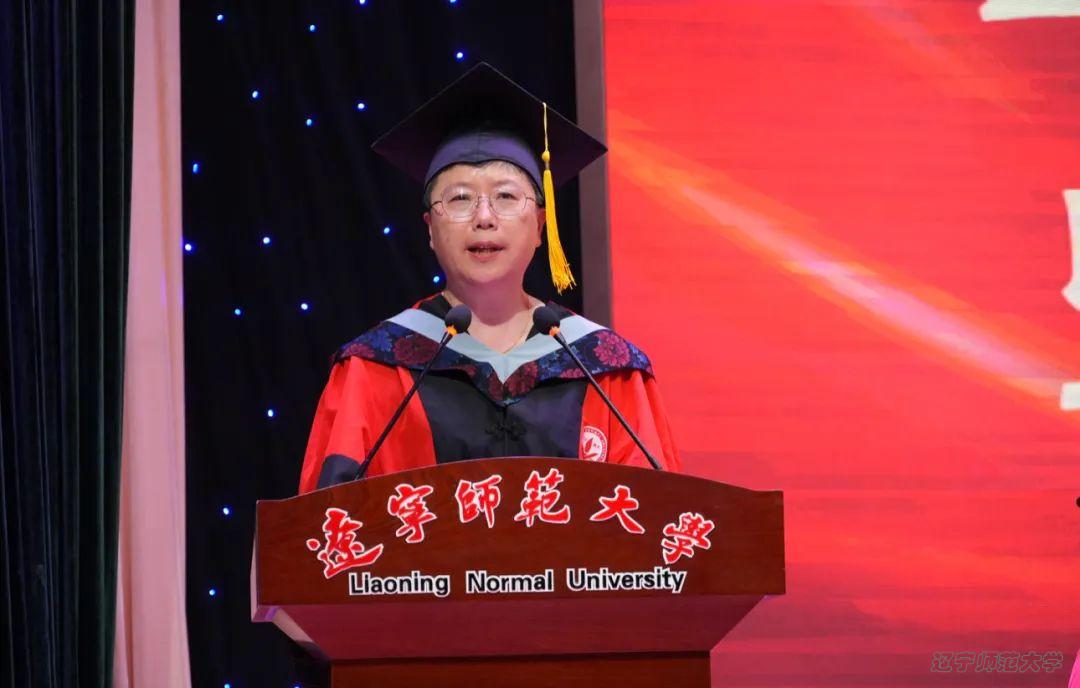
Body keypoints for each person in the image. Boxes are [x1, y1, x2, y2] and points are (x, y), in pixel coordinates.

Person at [298, 64, 680, 494]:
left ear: (540, 225)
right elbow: (324, 523)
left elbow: (660, 516)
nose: (484, 217)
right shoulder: (374, 368)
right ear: (429, 228)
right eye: (460, 199)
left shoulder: (607, 370)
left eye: (505, 196)